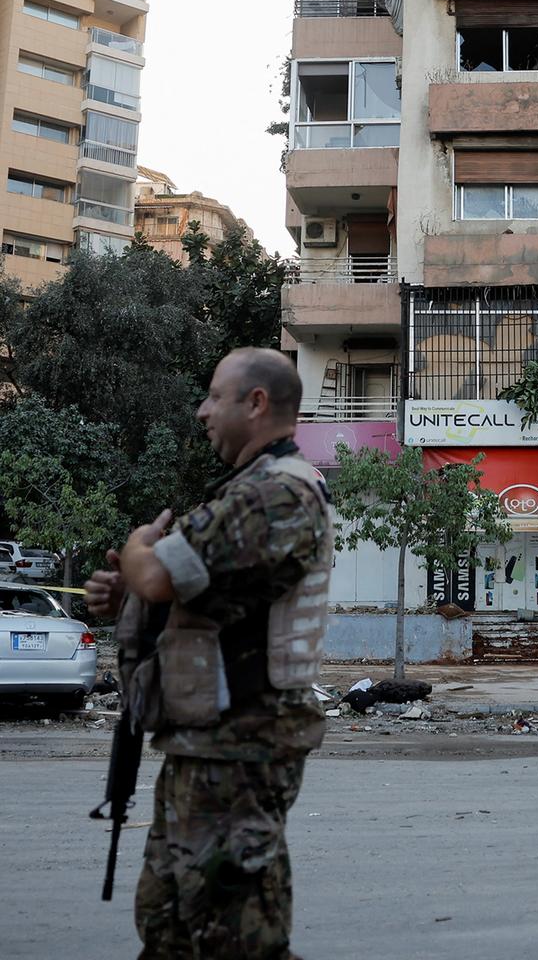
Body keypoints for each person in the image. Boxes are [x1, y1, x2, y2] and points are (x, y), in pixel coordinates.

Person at [85, 347, 332, 960]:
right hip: (207, 743)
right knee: (170, 927)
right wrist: (128, 599)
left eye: (214, 397)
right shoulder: (246, 491)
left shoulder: (278, 495)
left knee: (234, 937)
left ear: (256, 403)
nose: (202, 411)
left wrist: (139, 550)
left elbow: (161, 574)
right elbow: (199, 602)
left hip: (241, 751)